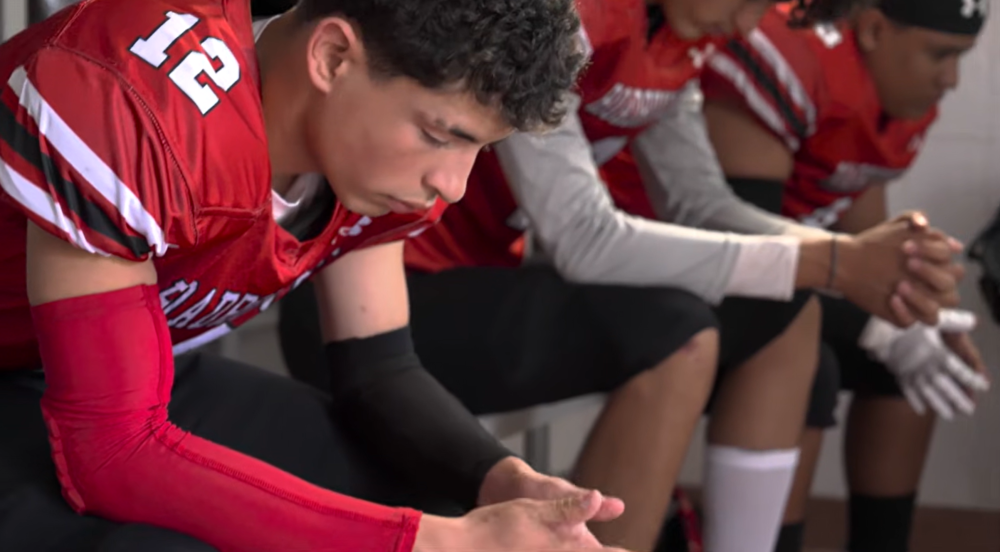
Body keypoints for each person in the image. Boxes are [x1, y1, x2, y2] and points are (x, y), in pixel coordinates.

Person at [276, 1, 967, 551]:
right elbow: (580, 236)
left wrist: (838, 265)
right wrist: (834, 263)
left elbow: (700, 201)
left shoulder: (676, 38)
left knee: (784, 320)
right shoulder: (572, 19)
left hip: (425, 273)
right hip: (392, 282)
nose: (754, 23)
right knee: (679, 332)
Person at [0, 0, 631, 550]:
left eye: (480, 149)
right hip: (54, 392)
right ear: (331, 55)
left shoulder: (371, 157)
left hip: (132, 378)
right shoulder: (138, 96)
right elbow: (111, 455)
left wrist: (500, 478)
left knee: (412, 491)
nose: (454, 185)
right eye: (441, 134)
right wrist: (435, 544)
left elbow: (380, 373)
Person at [698, 1, 990, 551]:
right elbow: (745, 253)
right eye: (940, 54)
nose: (950, 79)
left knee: (914, 360)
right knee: (810, 358)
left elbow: (867, 245)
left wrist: (914, 307)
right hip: (717, 270)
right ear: (876, 28)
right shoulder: (793, 56)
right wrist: (881, 324)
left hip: (794, 274)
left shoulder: (887, 92)